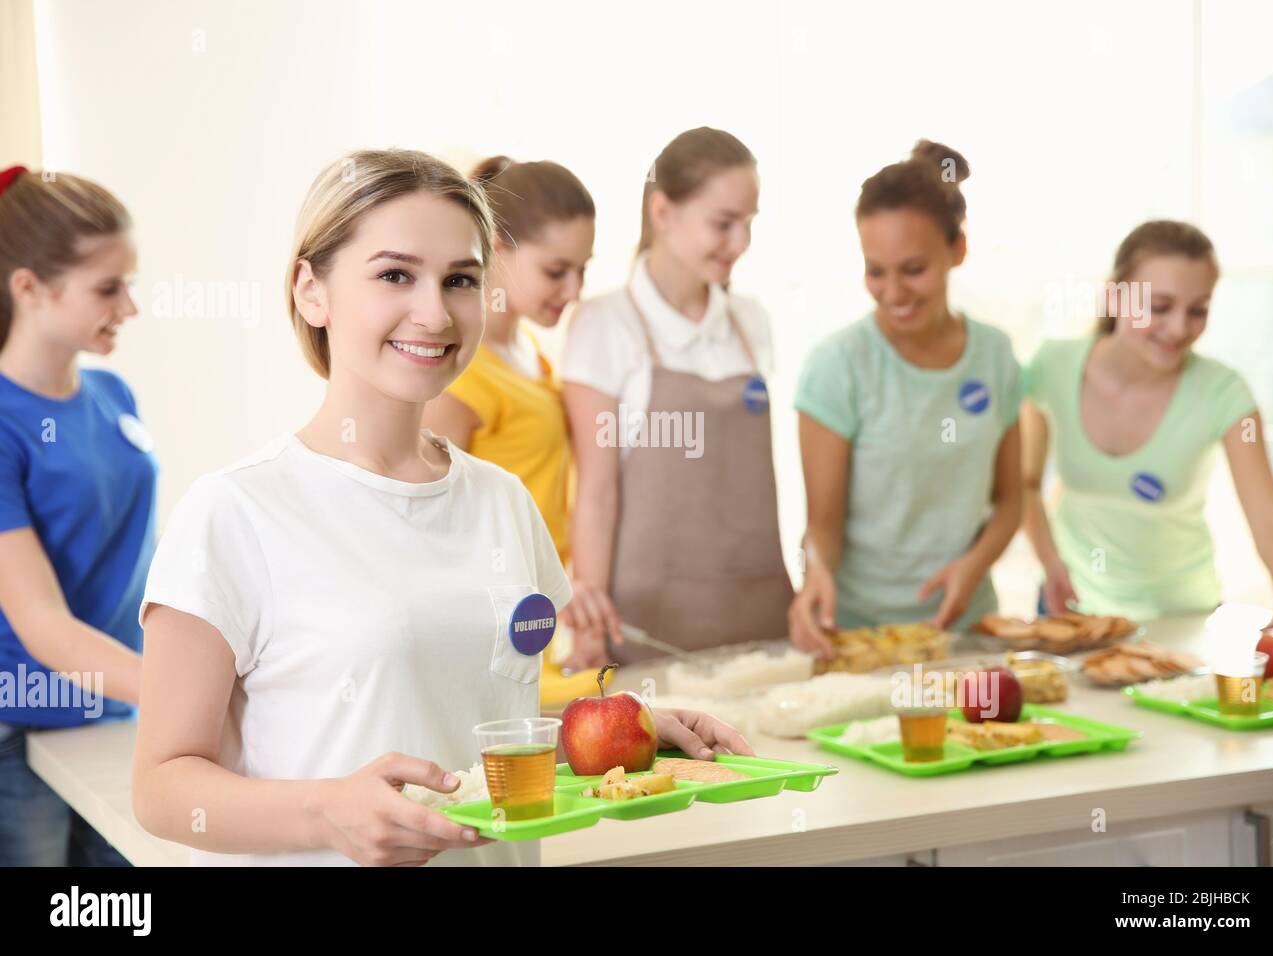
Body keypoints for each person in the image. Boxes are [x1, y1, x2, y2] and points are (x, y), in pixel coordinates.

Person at [132, 148, 751, 867]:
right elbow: (162, 788)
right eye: (395, 274)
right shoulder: (235, 512)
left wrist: (615, 731)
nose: (434, 312)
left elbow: (468, 726)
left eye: (460, 280)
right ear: (311, 290)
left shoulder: (503, 503)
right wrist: (325, 812)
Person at [562, 128, 791, 667]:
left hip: (762, 617)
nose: (740, 243)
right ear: (662, 212)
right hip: (649, 626)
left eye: (749, 224)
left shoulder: (750, 322)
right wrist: (590, 621)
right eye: (724, 223)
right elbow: (595, 491)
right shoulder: (604, 324)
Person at [789, 142, 1022, 658]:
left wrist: (973, 565)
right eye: (876, 270)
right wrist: (815, 576)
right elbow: (821, 529)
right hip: (863, 639)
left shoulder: (995, 355)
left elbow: (1010, 501)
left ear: (957, 249)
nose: (893, 291)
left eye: (913, 269)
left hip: (970, 632)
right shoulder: (839, 365)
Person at [1021, 220, 1273, 626]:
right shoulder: (1052, 366)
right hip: (1070, 612)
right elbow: (1023, 483)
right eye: (1160, 307)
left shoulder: (1224, 393)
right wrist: (1049, 562)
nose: (1179, 329)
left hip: (1183, 621)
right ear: (1115, 297)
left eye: (1198, 310)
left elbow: (1270, 522)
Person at [0, 165, 154, 866]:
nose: (129, 307)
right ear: (29, 288)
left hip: (116, 712)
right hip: (20, 731)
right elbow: (43, 625)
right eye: (107, 288)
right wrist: (182, 694)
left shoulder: (114, 394)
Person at [422, 156, 594, 566]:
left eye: (583, 269)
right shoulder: (454, 376)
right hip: (492, 612)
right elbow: (429, 530)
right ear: (496, 248)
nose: (574, 290)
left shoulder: (530, 348)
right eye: (556, 271)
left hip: (539, 607)